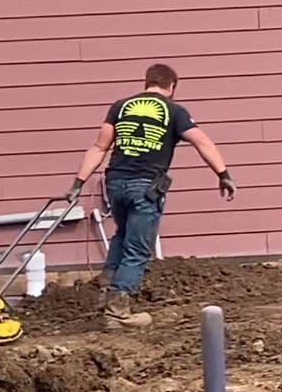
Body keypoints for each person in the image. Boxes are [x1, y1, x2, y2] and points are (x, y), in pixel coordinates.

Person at [66, 62, 236, 330]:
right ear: (171, 87)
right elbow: (201, 141)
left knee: (122, 234)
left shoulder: (120, 106)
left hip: (116, 182)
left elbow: (99, 146)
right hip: (144, 186)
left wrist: (78, 183)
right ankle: (117, 312)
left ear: (146, 83)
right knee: (138, 248)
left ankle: (106, 292)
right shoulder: (174, 111)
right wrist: (223, 173)